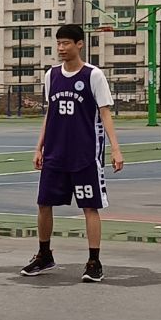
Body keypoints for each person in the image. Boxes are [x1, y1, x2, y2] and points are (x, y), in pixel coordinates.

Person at [21, 23, 125, 283]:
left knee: (90, 206)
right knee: (44, 203)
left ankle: (94, 261)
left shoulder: (93, 75)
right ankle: (44, 255)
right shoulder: (52, 75)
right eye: (58, 43)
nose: (61, 48)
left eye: (66, 43)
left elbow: (105, 113)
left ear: (79, 44)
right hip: (55, 152)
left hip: (85, 154)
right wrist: (39, 147)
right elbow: (50, 114)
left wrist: (116, 148)